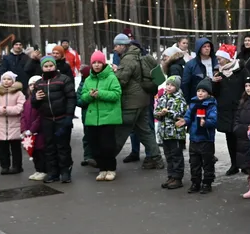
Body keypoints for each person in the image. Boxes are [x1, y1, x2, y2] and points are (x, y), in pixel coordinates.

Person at [112, 34, 164, 169]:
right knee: (144, 131)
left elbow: (121, 80)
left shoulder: (128, 59)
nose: (115, 48)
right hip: (143, 100)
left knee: (120, 130)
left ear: (123, 46)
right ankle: (156, 158)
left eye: (117, 45)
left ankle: (104, 158)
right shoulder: (139, 55)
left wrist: (114, 72)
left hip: (132, 102)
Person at [33, 56, 77, 183]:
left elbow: (71, 98)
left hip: (62, 118)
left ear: (55, 66)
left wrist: (69, 116)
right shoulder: (39, 83)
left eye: (50, 66)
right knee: (49, 146)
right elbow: (34, 104)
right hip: (46, 120)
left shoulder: (64, 79)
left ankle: (65, 171)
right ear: (42, 68)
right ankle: (53, 172)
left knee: (62, 145)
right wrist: (36, 98)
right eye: (46, 66)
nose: (48, 68)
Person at [80, 51, 122, 182]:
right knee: (95, 145)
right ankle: (102, 169)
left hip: (108, 117)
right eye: (94, 63)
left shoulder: (111, 77)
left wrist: (100, 94)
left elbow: (116, 94)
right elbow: (82, 97)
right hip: (93, 119)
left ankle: (111, 169)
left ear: (103, 64)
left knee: (108, 146)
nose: (97, 65)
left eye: (99, 62)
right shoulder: (88, 80)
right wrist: (89, 96)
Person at [213, 44, 246, 176]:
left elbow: (246, 88)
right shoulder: (219, 73)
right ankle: (234, 164)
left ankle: (243, 164)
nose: (218, 61)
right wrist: (214, 82)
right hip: (225, 111)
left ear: (227, 58)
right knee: (230, 138)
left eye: (220, 58)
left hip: (239, 109)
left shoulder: (240, 70)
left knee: (241, 138)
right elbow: (215, 93)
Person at [183, 78, 218, 194]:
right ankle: (195, 182)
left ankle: (207, 183)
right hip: (194, 138)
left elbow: (214, 120)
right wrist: (184, 121)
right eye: (199, 91)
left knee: (207, 162)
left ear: (208, 93)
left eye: (203, 91)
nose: (200, 93)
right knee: (194, 162)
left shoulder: (211, 105)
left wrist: (206, 122)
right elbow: (189, 116)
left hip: (206, 139)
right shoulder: (193, 103)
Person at [155, 76, 188, 189]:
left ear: (177, 87)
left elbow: (181, 115)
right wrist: (159, 114)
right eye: (168, 84)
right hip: (164, 133)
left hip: (175, 133)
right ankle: (171, 176)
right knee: (168, 156)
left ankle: (178, 178)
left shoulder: (180, 99)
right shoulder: (163, 97)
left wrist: (168, 112)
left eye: (172, 85)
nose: (169, 87)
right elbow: (156, 111)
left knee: (176, 156)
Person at [0, 71, 25, 175]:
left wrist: (7, 110)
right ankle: (4, 166)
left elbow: (21, 107)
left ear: (13, 81)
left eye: (9, 79)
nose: (6, 81)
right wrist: (1, 109)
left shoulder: (18, 93)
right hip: (1, 126)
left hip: (15, 125)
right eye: (4, 79)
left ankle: (17, 166)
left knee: (15, 148)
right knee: (2, 148)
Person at [233, 75, 250, 198]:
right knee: (247, 165)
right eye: (246, 86)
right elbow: (237, 117)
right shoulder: (243, 100)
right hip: (242, 137)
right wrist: (237, 129)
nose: (248, 88)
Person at [23, 76, 44, 180]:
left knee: (40, 151)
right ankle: (38, 170)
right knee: (33, 152)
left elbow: (40, 116)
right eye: (30, 85)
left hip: (38, 132)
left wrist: (33, 129)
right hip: (28, 132)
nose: (32, 86)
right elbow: (23, 116)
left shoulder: (41, 100)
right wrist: (23, 129)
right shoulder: (27, 101)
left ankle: (43, 170)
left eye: (34, 84)